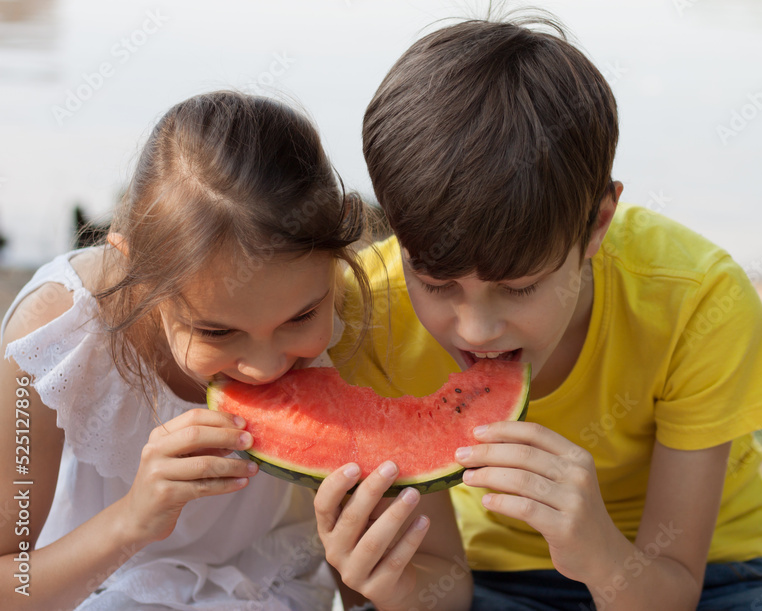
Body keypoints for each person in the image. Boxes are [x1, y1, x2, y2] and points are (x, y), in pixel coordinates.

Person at [330, 12, 762, 610]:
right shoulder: (366, 315)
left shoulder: (698, 299)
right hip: (490, 583)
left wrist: (597, 549)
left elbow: (671, 591)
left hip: (703, 585)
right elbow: (446, 588)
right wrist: (396, 589)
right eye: (436, 283)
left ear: (597, 223)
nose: (476, 329)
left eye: (520, 288)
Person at [0, 91, 469, 611]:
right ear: (138, 272)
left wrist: (380, 580)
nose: (266, 367)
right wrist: (131, 523)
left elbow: (447, 581)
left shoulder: (358, 327)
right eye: (217, 333)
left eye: (301, 317)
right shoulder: (50, 340)